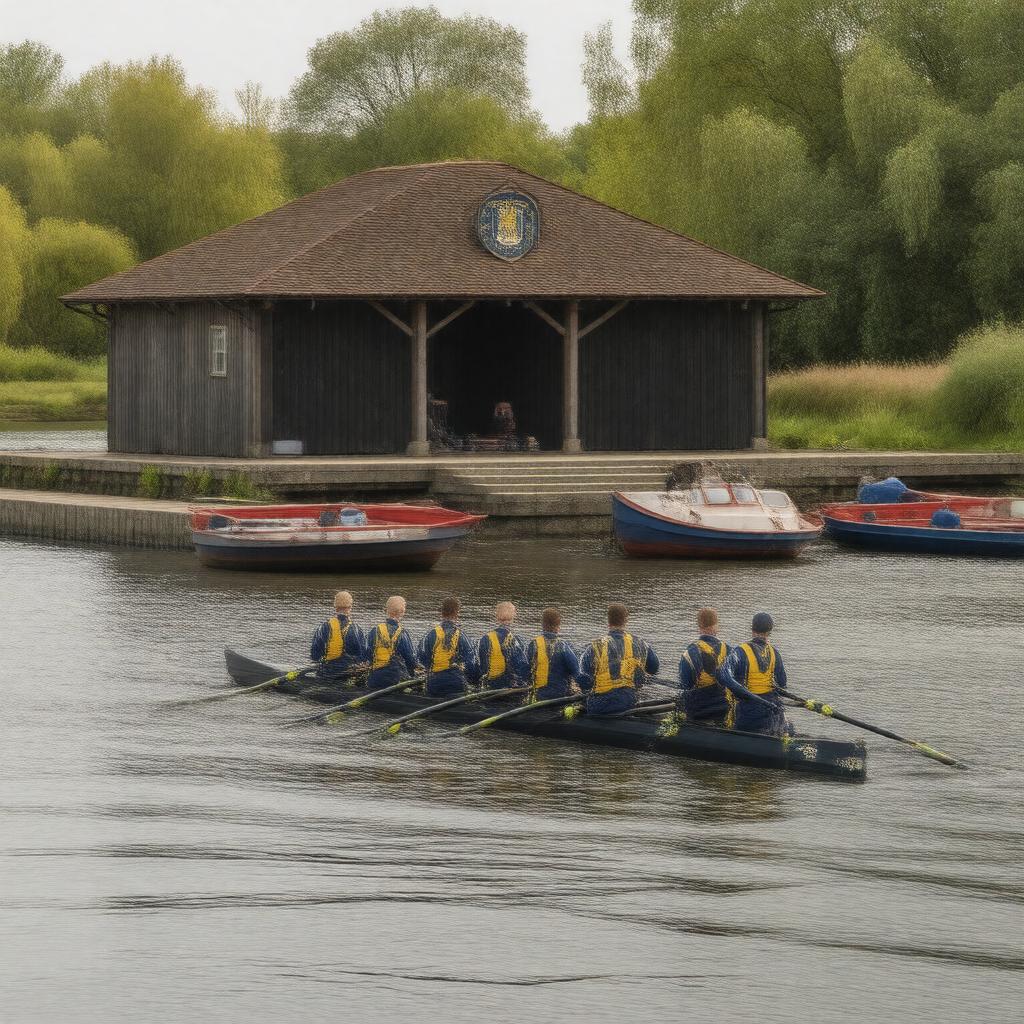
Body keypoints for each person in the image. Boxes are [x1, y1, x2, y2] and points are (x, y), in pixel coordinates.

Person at [716, 612, 791, 736]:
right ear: (769, 631)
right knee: (788, 726)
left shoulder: (739, 651)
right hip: (771, 713)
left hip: (748, 715)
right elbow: (782, 684)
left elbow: (723, 675)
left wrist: (741, 692)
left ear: (752, 629)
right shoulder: (775, 653)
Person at [579, 603, 660, 715]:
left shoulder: (593, 647)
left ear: (608, 621)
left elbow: (585, 681)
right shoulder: (641, 643)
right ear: (626, 620)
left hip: (599, 707)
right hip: (628, 703)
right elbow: (654, 669)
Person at [677, 607, 731, 725]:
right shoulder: (729, 650)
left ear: (699, 627)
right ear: (717, 626)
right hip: (724, 709)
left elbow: (685, 684)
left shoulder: (690, 652)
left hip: (698, 711)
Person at [417, 596, 478, 698]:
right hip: (456, 685)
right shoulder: (463, 636)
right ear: (457, 613)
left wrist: (430, 668)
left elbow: (421, 657)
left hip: (434, 685)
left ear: (441, 613)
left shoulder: (428, 635)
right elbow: (470, 664)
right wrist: (474, 681)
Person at [365, 596, 419, 691]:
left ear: (387, 610)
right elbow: (411, 661)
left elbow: (367, 655)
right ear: (402, 612)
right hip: (395, 681)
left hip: (375, 680)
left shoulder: (374, 631)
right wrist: (415, 670)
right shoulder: (402, 634)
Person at [526, 607, 581, 701]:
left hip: (538, 695)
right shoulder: (564, 646)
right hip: (560, 696)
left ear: (542, 625)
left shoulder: (533, 644)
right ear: (558, 626)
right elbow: (576, 672)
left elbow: (527, 669)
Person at [310, 590, 366, 680]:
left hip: (327, 673)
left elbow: (314, 655)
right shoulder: (357, 629)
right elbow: (363, 655)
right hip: (349, 674)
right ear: (350, 607)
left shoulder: (323, 627)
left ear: (335, 607)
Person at [477, 601, 529, 689]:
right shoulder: (517, 640)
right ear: (513, 617)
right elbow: (522, 668)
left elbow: (483, 667)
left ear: (497, 617)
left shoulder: (485, 639)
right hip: (512, 688)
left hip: (491, 686)